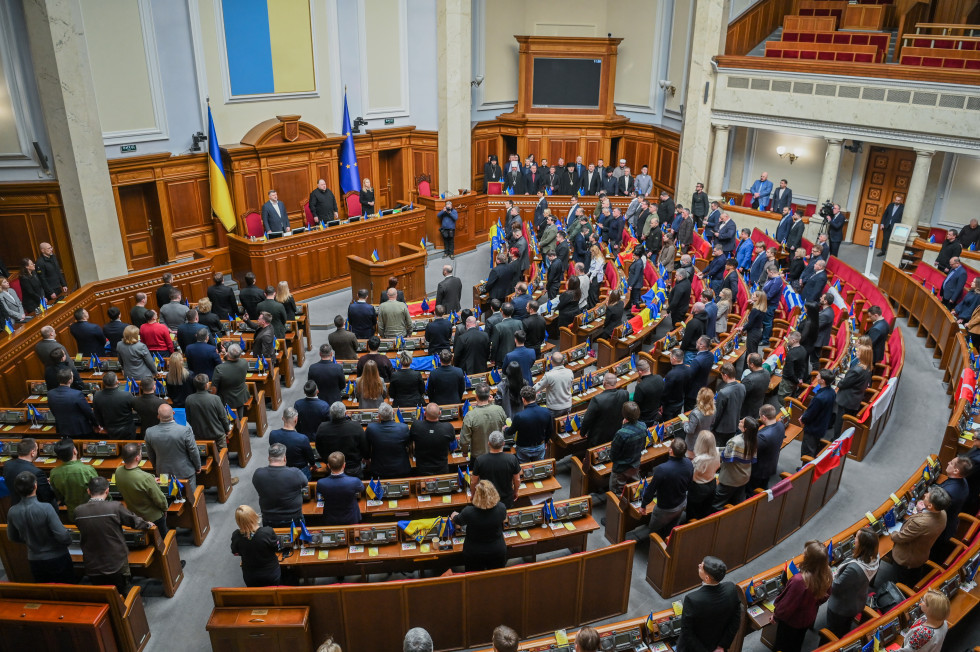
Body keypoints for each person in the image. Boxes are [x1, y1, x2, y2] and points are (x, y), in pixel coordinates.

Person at [75, 476, 155, 594]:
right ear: (107, 491)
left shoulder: (78, 511)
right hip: (116, 561)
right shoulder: (114, 507)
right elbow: (133, 521)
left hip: (92, 562)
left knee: (103, 592)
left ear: (88, 491)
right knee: (123, 589)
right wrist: (147, 525)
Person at [6, 470, 74, 583]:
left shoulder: (12, 511)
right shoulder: (46, 508)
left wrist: (29, 540)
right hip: (57, 557)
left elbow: (12, 537)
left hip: (34, 559)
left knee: (46, 593)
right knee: (66, 591)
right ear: (35, 486)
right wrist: (68, 541)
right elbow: (63, 536)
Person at [772, 541, 832, 652]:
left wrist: (775, 616)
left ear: (810, 559)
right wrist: (812, 604)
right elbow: (826, 595)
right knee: (797, 644)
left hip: (792, 623)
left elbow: (785, 608)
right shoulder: (826, 573)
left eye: (805, 553)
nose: (803, 555)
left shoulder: (799, 581)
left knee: (783, 647)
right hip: (807, 618)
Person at [887, 485, 950, 587]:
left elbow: (901, 537)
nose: (924, 495)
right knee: (913, 578)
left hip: (906, 559)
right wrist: (922, 511)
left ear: (930, 506)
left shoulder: (920, 523)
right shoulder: (943, 513)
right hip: (920, 555)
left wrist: (892, 532)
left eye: (926, 497)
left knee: (898, 584)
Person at [676, 556, 741, 652]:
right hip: (717, 645)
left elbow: (687, 632)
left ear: (707, 578)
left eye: (701, 566)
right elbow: (736, 620)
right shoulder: (731, 588)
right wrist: (722, 646)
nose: (698, 565)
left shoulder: (692, 599)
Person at [825, 527, 879, 638]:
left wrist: (828, 571)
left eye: (857, 538)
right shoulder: (874, 557)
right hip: (857, 600)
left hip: (841, 608)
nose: (854, 539)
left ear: (863, 545)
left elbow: (835, 586)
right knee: (845, 628)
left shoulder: (854, 570)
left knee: (834, 634)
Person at [635, 438, 693, 538]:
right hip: (681, 503)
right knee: (672, 526)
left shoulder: (662, 469)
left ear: (671, 451)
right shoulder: (689, 463)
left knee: (653, 531)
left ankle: (656, 546)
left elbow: (651, 490)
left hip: (665, 509)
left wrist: (643, 505)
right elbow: (689, 484)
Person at [114, 443, 170, 535]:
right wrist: (165, 509)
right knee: (163, 539)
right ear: (137, 458)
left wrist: (150, 480)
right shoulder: (145, 478)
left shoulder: (118, 471)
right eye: (140, 454)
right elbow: (160, 499)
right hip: (153, 517)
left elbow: (135, 479)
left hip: (135, 516)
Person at [146, 403, 202, 491]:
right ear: (173, 413)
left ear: (158, 416)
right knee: (191, 498)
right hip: (185, 471)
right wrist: (198, 466)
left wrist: (156, 467)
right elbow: (193, 450)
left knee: (170, 497)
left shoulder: (149, 432)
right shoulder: (184, 430)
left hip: (163, 472)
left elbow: (150, 454)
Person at [252, 443, 308, 528]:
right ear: (285, 458)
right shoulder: (295, 473)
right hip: (293, 518)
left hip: (268, 518)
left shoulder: (258, 474)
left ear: (268, 458)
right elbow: (305, 483)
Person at [230, 504, 282, 587]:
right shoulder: (267, 532)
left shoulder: (236, 536)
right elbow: (278, 548)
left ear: (238, 521)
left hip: (250, 575)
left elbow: (235, 552)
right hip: (270, 573)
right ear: (254, 516)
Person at [713, 417, 758, 510]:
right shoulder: (754, 440)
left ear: (745, 429)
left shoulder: (735, 441)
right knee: (737, 503)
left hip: (730, 479)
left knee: (717, 503)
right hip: (744, 477)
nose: (739, 421)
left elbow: (724, 457)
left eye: (742, 422)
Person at [49, 438, 98, 521]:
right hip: (92, 512)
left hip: (73, 514)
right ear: (75, 451)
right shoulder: (87, 470)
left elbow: (58, 495)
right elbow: (99, 490)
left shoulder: (54, 473)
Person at [315, 402, 369, 479]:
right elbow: (364, 448)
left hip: (332, 466)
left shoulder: (322, 428)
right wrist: (365, 458)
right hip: (353, 467)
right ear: (345, 413)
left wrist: (327, 461)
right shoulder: (356, 426)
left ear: (331, 413)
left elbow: (319, 447)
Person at [580, 372, 630, 448]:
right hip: (617, 434)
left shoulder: (597, 399)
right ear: (616, 382)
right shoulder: (625, 394)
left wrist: (582, 433)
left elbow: (587, 419)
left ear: (604, 383)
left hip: (599, 438)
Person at [3, 438, 56, 508]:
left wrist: (43, 481)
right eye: (37, 450)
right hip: (34, 509)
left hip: (15, 504)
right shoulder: (37, 472)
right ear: (33, 452)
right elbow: (47, 496)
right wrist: (49, 484)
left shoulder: (7, 465)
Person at [459, 383, 507, 459]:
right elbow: (504, 422)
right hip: (498, 453)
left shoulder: (470, 416)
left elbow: (464, 440)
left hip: (479, 457)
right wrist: (492, 403)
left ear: (476, 397)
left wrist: (464, 451)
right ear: (489, 396)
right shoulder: (499, 409)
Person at [314, 452, 363, 525]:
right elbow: (361, 489)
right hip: (351, 518)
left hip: (330, 519)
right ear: (344, 465)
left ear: (328, 466)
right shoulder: (354, 481)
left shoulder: (321, 483)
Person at [48, 368, 99, 437]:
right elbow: (88, 412)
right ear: (70, 380)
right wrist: (96, 424)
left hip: (62, 428)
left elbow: (53, 410)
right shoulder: (77, 394)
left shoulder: (51, 393)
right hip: (80, 429)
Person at [834, 344, 872, 437]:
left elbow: (844, 383)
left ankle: (835, 439)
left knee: (840, 421)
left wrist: (838, 383)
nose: (856, 352)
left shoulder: (857, 370)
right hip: (854, 398)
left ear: (863, 355)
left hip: (847, 399)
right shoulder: (867, 367)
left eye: (859, 351)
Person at [366, 403, 412, 479]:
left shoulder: (371, 428)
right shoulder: (404, 428)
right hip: (401, 470)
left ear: (379, 416)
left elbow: (367, 449)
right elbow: (408, 444)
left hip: (379, 471)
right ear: (393, 413)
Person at [185, 374, 231, 450]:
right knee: (223, 457)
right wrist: (227, 430)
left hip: (199, 436)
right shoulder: (215, 398)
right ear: (206, 385)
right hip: (217, 435)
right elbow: (223, 417)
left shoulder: (189, 399)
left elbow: (189, 419)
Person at [409, 403, 456, 475]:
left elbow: (410, 439)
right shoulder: (448, 427)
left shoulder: (416, 426)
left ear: (424, 413)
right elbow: (453, 444)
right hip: (442, 468)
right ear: (440, 413)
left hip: (422, 468)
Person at [271, 407, 317, 480]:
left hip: (281, 469)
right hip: (300, 471)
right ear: (296, 420)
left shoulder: (273, 434)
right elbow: (310, 457)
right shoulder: (302, 438)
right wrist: (313, 464)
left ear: (282, 418)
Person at [800, 369, 837, 460]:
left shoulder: (819, 398)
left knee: (807, 452)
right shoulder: (831, 392)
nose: (816, 377)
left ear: (822, 381)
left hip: (813, 427)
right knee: (814, 447)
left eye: (818, 376)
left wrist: (803, 419)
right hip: (822, 425)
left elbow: (811, 413)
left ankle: (805, 471)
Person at [749, 404, 785, 492]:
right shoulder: (780, 425)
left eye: (760, 416)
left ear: (764, 417)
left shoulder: (762, 436)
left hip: (759, 471)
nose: (760, 418)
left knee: (752, 492)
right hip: (771, 466)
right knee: (764, 488)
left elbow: (751, 452)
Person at [687, 431, 721, 521]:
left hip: (698, 488)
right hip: (712, 484)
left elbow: (691, 474)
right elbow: (718, 465)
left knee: (692, 514)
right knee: (705, 510)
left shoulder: (699, 459)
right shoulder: (717, 452)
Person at [92, 372, 135, 438]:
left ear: (103, 383)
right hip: (127, 430)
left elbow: (97, 414)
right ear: (117, 382)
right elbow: (134, 408)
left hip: (109, 430)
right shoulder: (127, 395)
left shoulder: (97, 396)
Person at [213, 344, 252, 416]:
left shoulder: (219, 368)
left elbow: (214, 388)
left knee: (229, 418)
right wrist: (225, 353)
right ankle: (239, 423)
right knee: (239, 418)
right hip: (241, 396)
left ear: (228, 354)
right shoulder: (244, 362)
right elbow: (231, 360)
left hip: (225, 399)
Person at [713, 363, 746, 447]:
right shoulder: (742, 387)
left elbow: (718, 414)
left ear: (725, 375)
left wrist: (712, 428)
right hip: (734, 425)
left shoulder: (723, 392)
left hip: (721, 429)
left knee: (719, 450)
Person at [778, 331, 809, 405]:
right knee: (792, 396)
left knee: (782, 399)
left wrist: (796, 381)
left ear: (793, 340)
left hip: (788, 381)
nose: (787, 341)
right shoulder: (803, 350)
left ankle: (783, 414)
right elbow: (803, 366)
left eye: (789, 340)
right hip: (797, 378)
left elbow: (789, 372)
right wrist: (799, 379)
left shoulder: (791, 354)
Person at [684, 387, 716, 454]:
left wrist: (685, 423)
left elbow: (690, 430)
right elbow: (712, 422)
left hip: (693, 443)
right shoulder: (713, 410)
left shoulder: (695, 413)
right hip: (705, 440)